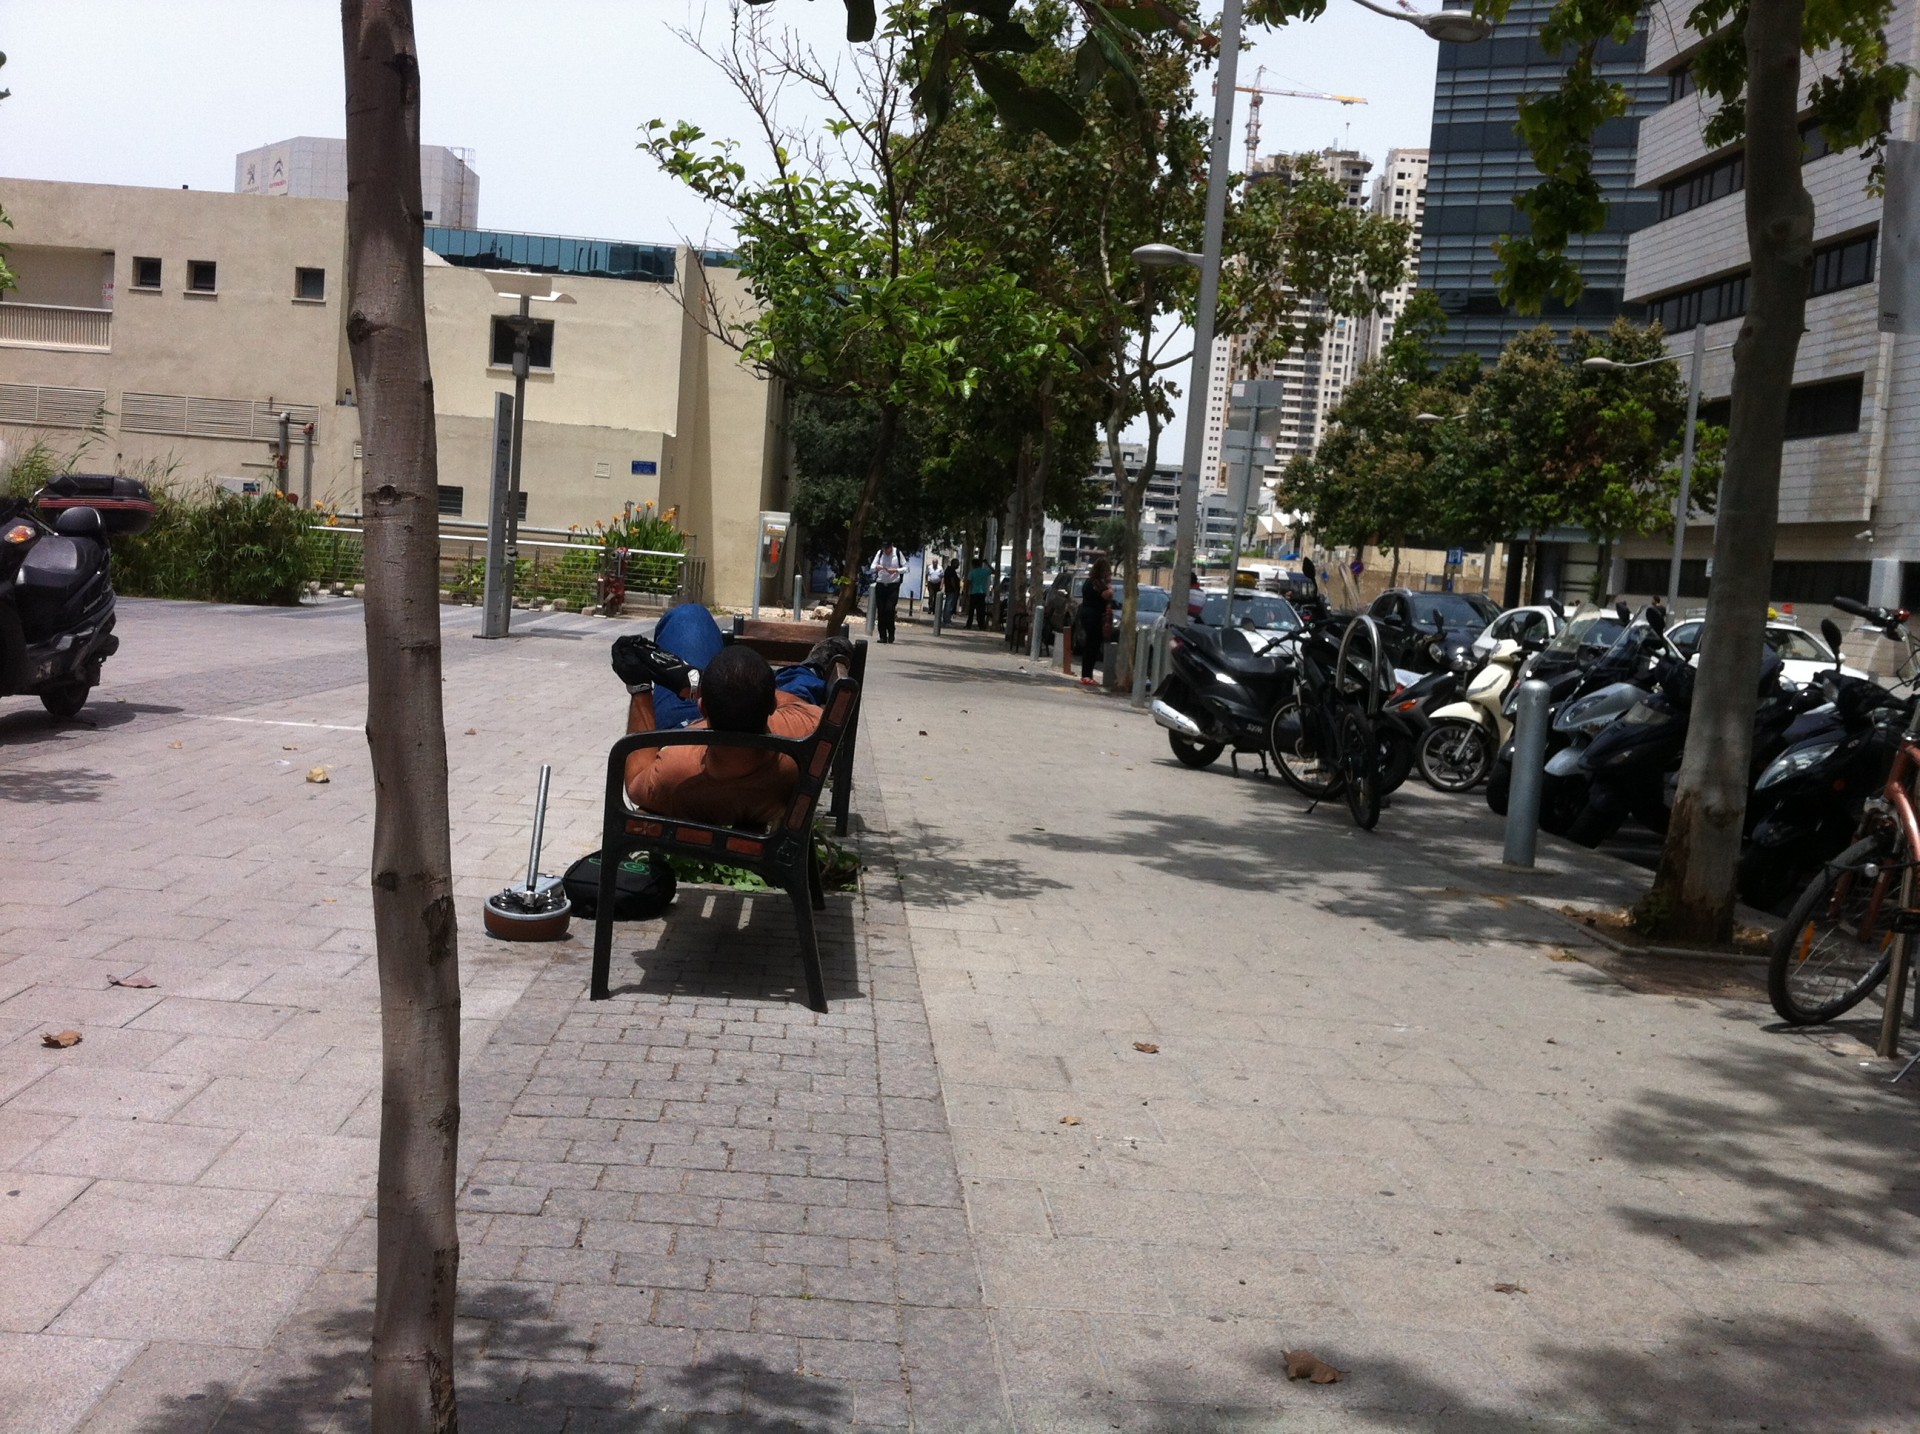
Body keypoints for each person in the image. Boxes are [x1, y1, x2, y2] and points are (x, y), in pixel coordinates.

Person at [610, 607, 843, 830]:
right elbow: (794, 702)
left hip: (683, 727)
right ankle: (804, 671)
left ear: (702, 707)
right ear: (772, 705)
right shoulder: (805, 732)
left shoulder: (674, 772)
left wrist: (640, 688)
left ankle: (698, 683)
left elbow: (635, 782)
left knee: (689, 615)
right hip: (754, 723)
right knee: (797, 686)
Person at [1079, 558, 1113, 686]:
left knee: (1090, 645)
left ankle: (1086, 675)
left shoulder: (1089, 582)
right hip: (1094, 615)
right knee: (1092, 645)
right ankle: (1087, 675)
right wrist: (1109, 583)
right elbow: (1108, 595)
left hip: (1087, 614)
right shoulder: (1097, 583)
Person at [870, 541, 906, 643]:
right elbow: (872, 567)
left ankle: (891, 633)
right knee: (881, 611)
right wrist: (877, 567)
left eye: (888, 548)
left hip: (893, 585)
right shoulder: (880, 553)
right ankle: (882, 636)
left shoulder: (898, 553)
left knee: (889, 610)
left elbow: (906, 568)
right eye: (884, 548)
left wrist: (896, 570)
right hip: (881, 585)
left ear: (892, 546)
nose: (886, 551)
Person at [966, 557, 993, 630]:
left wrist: (968, 592)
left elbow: (969, 583)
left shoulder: (972, 572)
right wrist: (987, 564)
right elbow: (993, 571)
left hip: (974, 592)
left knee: (971, 610)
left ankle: (969, 624)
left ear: (973, 565)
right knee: (981, 610)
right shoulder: (984, 571)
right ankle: (981, 625)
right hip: (982, 593)